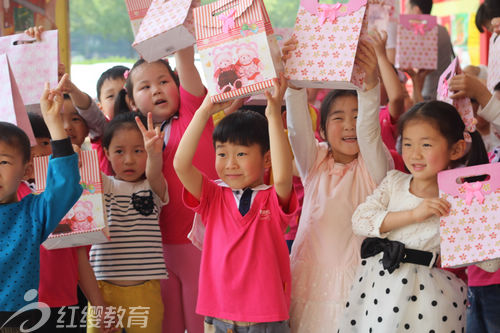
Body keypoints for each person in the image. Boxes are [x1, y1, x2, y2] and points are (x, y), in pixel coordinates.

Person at [337, 100, 489, 332]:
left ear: (456, 149)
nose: (415, 154)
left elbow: (489, 263)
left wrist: (487, 220)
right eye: (407, 144)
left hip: (432, 298)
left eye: (426, 144)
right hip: (379, 288)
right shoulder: (394, 182)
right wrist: (414, 214)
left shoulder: (462, 196)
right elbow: (360, 220)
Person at [282, 38, 393, 332]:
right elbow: (296, 131)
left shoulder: (375, 166)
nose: (349, 125)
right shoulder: (315, 160)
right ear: (322, 129)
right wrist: (294, 85)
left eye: (356, 117)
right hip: (307, 277)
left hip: (357, 282)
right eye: (338, 118)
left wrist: (370, 88)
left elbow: (368, 134)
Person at [173, 75, 298, 332]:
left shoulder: (270, 199)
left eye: (241, 154)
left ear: (266, 160)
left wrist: (273, 114)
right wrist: (204, 110)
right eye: (222, 154)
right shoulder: (213, 197)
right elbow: (180, 165)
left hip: (266, 318)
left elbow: (284, 177)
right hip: (217, 315)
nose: (230, 163)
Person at [121, 47, 212, 333]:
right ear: (131, 101)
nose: (157, 90)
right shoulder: (132, 140)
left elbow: (185, 59)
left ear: (177, 83)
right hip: (155, 251)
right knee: (167, 326)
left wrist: (179, 31)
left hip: (202, 245)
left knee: (200, 326)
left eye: (164, 81)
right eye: (145, 86)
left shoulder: (193, 114)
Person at [0, 80, 82, 330]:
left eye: (3, 162)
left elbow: (65, 186)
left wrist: (54, 123)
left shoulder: (32, 213)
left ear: (26, 169)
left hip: (16, 320)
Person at [87, 112, 169, 333]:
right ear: (106, 153)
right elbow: (84, 171)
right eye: (119, 152)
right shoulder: (104, 184)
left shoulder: (153, 186)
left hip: (145, 291)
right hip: (102, 292)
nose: (129, 160)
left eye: (138, 150)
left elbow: (154, 172)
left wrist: (154, 154)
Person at [404, 0, 454, 101]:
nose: (405, 13)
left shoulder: (425, 33)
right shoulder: (441, 30)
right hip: (442, 92)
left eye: (407, 9)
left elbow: (420, 74)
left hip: (429, 96)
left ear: (416, 10)